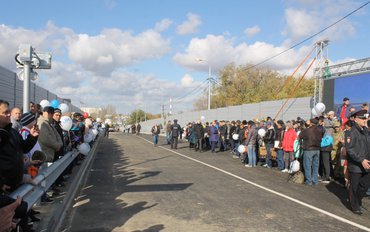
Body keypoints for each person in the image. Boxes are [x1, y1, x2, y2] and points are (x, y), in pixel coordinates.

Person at [345, 109, 370, 215]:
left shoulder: (366, 131)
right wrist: (361, 160)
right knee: (354, 187)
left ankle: (357, 201)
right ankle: (354, 205)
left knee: (364, 185)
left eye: (366, 118)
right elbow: (350, 149)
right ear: (355, 119)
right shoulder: (350, 132)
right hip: (356, 165)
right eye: (363, 118)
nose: (365, 120)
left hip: (367, 163)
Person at [299, 118, 322, 186]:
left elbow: (300, 136)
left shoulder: (307, 130)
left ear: (311, 123)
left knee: (307, 165)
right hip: (317, 149)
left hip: (309, 149)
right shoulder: (319, 130)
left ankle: (309, 181)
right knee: (315, 165)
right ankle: (315, 180)